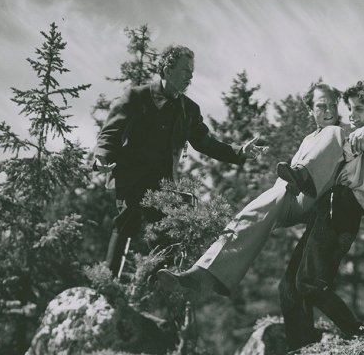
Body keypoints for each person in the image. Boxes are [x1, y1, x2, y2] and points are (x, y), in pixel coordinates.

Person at [156, 80, 364, 295]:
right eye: (321, 106)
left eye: (333, 105)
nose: (329, 110)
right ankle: (205, 275)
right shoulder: (311, 138)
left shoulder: (348, 133)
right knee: (250, 213)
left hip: (320, 196)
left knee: (330, 135)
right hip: (292, 193)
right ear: (310, 110)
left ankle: (303, 175)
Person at [94, 45, 259, 277]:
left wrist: (239, 151)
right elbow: (110, 133)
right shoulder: (137, 96)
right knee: (127, 221)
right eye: (185, 70)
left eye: (192, 71)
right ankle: (108, 282)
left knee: (166, 234)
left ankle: (157, 288)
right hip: (131, 178)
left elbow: (205, 143)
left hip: (162, 185)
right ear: (167, 68)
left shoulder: (189, 109)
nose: (190, 76)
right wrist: (102, 158)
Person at [278, 81, 364, 351]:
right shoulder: (351, 134)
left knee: (309, 283)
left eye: (360, 109)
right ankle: (300, 350)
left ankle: (358, 336)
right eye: (350, 109)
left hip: (344, 206)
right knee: (288, 287)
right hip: (329, 206)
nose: (353, 114)